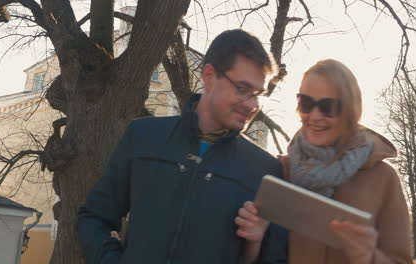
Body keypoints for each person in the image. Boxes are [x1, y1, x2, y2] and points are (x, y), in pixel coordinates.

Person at [77, 29, 287, 264]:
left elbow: (274, 259)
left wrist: (255, 245)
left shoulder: (264, 171)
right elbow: (94, 218)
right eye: (242, 89)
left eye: (258, 94)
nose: (252, 104)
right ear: (209, 76)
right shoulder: (143, 137)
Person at [236, 59, 415, 263]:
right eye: (306, 103)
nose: (314, 116)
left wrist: (369, 258)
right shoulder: (281, 171)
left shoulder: (383, 178)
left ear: (350, 111)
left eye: (327, 106)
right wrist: (254, 245)